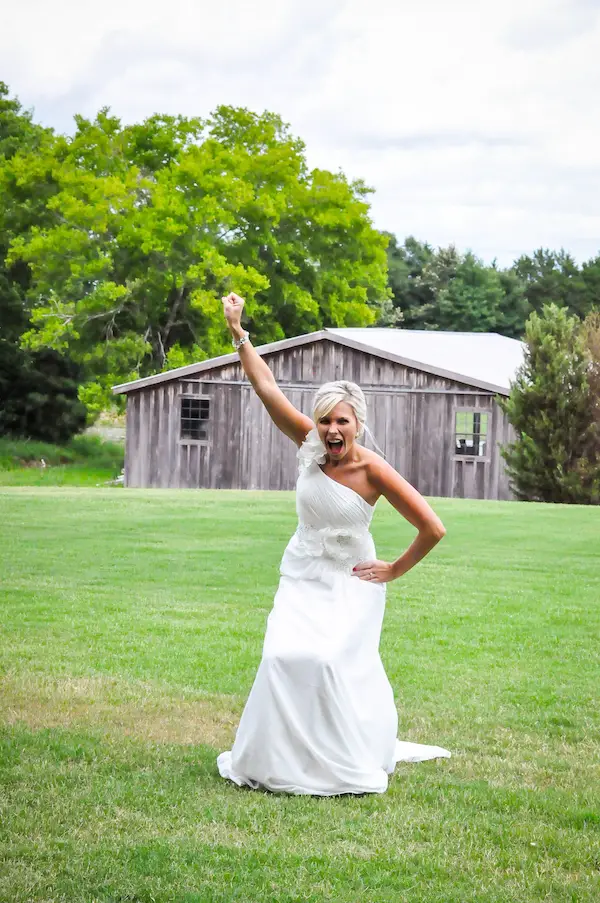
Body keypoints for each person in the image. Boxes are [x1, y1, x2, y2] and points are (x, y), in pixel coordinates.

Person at [217, 292, 451, 796]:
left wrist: (393, 570)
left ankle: (339, 758)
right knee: (281, 657)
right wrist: (239, 332)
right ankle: (273, 757)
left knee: (326, 663)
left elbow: (433, 527)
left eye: (341, 421)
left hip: (351, 580)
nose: (330, 429)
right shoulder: (309, 445)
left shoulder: (374, 470)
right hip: (302, 572)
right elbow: (265, 386)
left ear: (358, 424)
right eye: (324, 420)